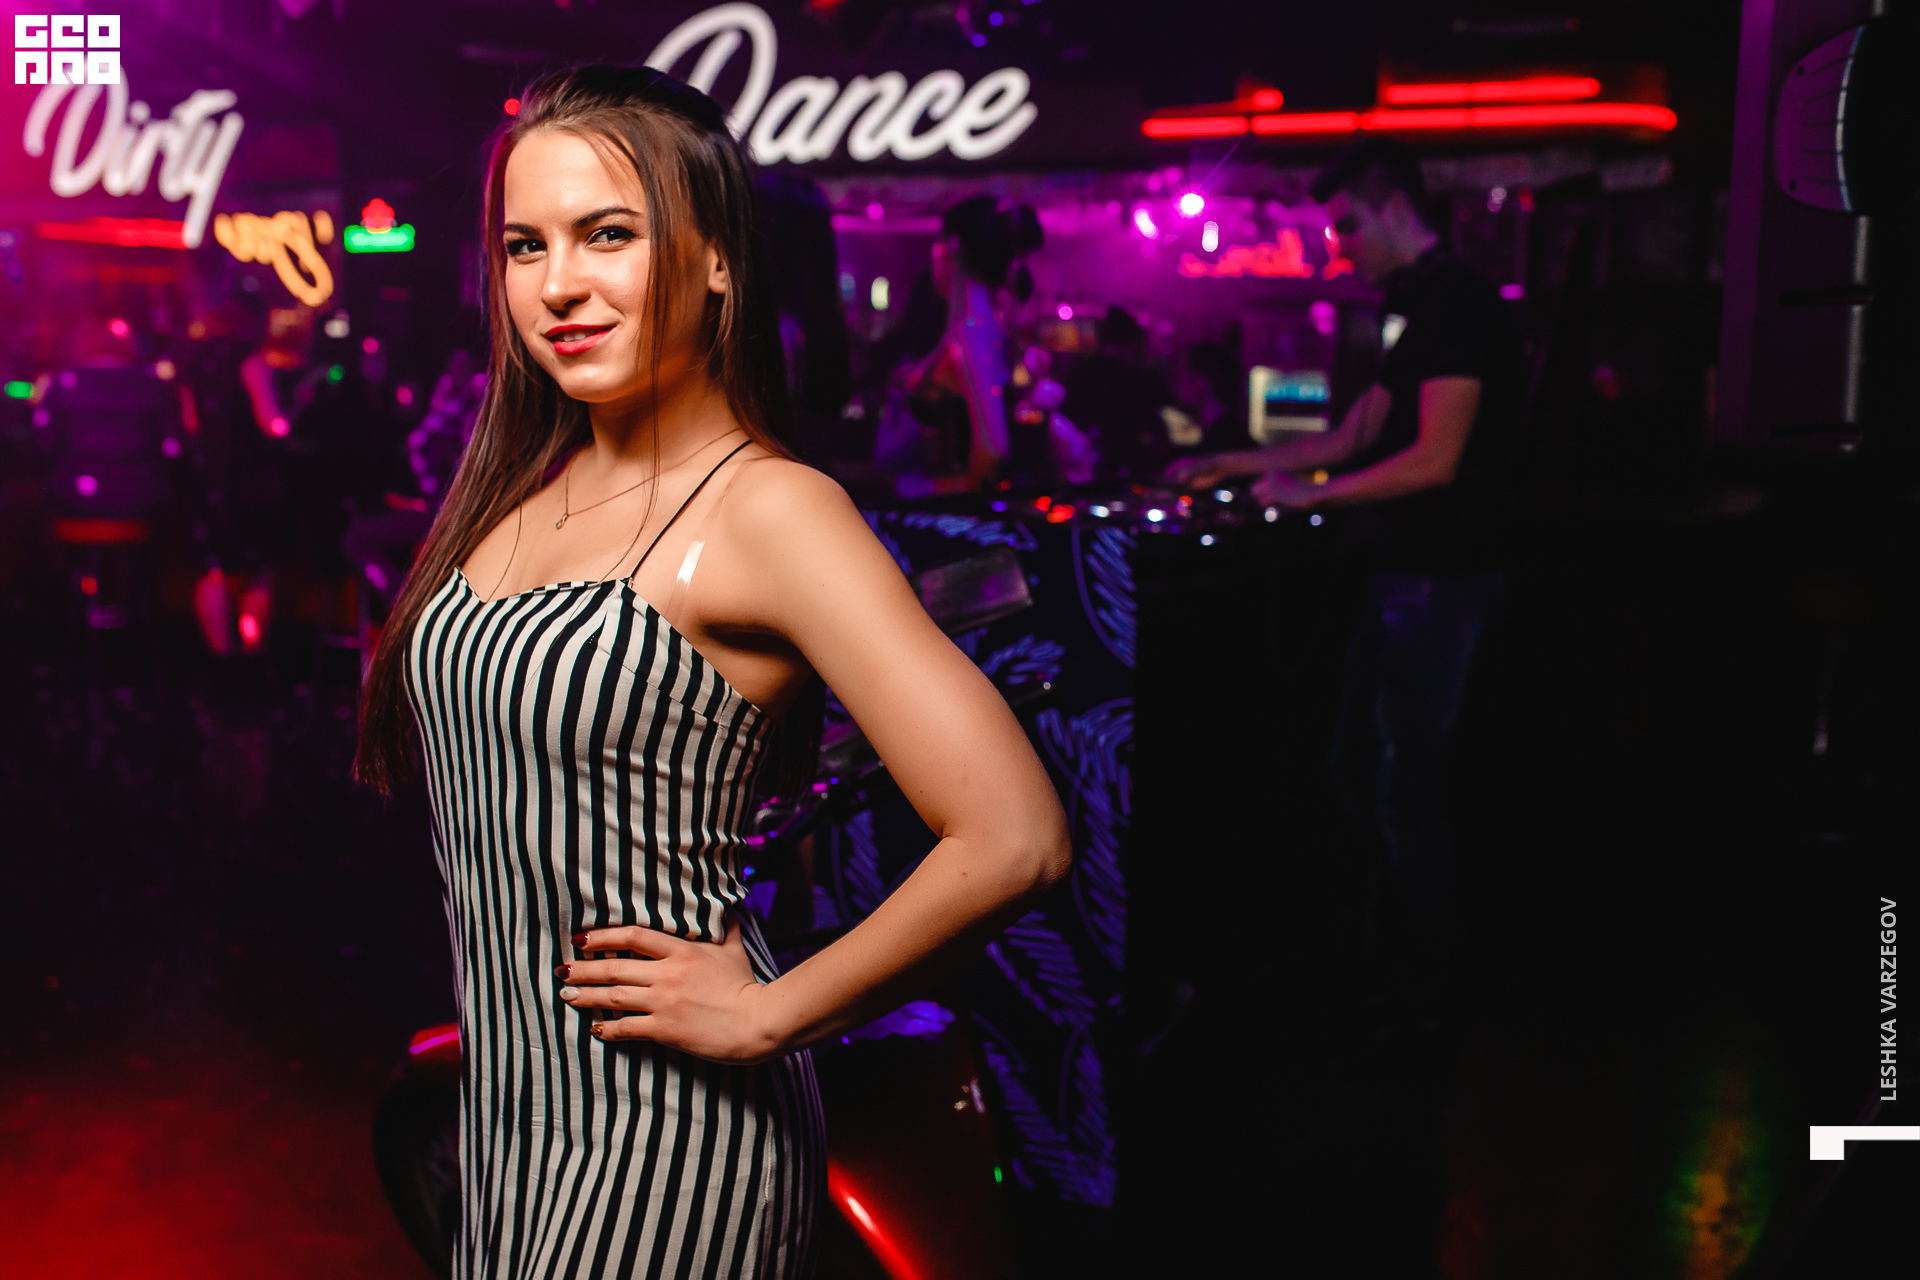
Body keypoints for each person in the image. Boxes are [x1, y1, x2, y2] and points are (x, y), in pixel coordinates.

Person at [353, 67, 1070, 1279]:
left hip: (672, 1140)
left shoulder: (769, 511)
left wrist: (765, 1010)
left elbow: (1017, 835)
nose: (558, 284)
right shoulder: (527, 486)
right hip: (511, 1120)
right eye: (526, 245)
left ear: (720, 260)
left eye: (609, 235)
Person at [1166, 137, 1522, 1031]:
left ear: (1398, 208)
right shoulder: (1421, 306)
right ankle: (1382, 952)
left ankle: (1426, 981)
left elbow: (1437, 459)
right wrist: (1241, 463)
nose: (1340, 245)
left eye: (1349, 225)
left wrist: (1310, 493)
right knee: (1356, 767)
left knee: (1404, 784)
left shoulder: (1458, 305)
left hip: (1443, 581)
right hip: (1406, 577)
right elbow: (1359, 430)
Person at [886, 196, 1042, 493]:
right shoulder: (986, 324)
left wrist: (917, 492)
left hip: (952, 516)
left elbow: (991, 455)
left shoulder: (972, 333)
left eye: (937, 240)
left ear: (951, 246)